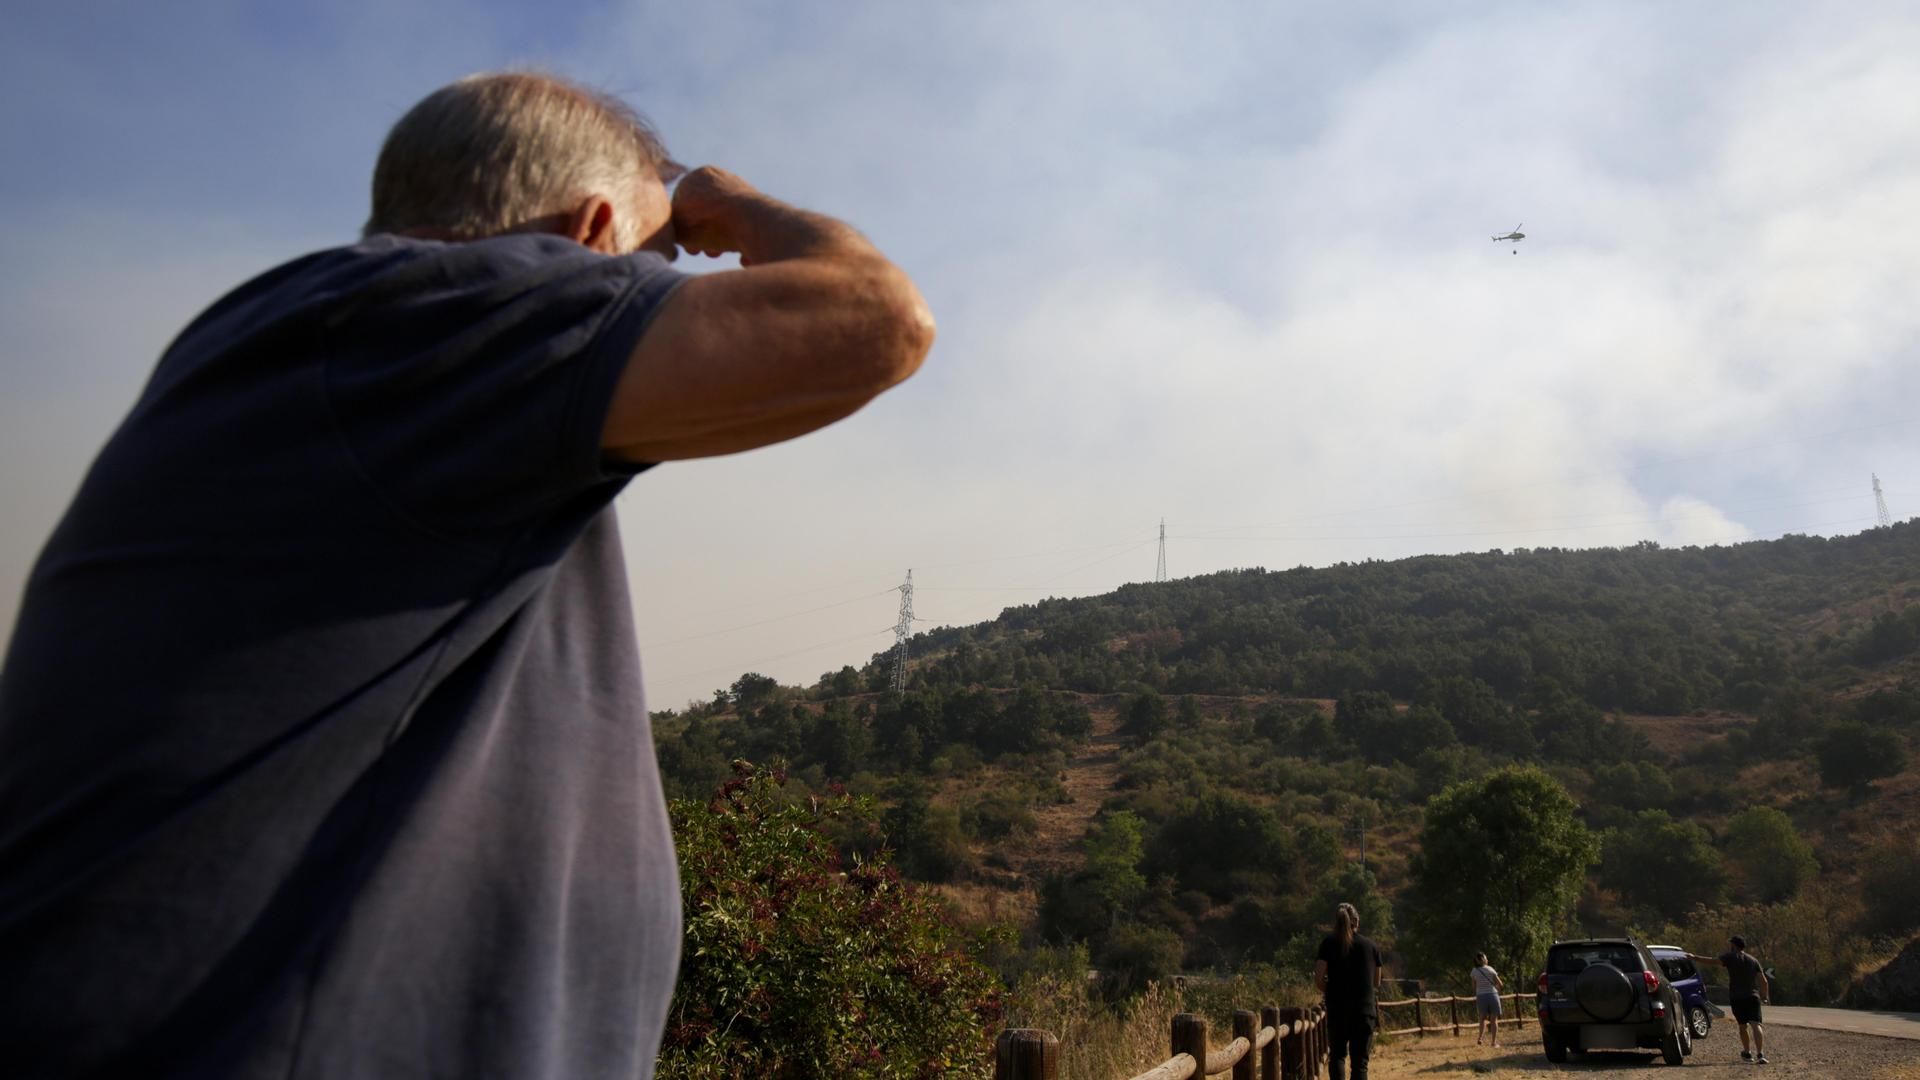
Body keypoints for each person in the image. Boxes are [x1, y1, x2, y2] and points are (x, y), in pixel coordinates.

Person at [0, 71, 933, 1078]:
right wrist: (734, 202)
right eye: (658, 264)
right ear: (586, 237)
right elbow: (876, 319)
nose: (659, 295)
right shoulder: (415, 322)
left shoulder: (359, 365)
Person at [1315, 902, 1385, 1080]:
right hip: (1364, 1011)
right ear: (1356, 921)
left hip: (1338, 1010)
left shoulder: (1328, 944)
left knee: (1337, 1056)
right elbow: (1376, 982)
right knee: (1360, 1063)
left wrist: (1331, 992)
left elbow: (1318, 978)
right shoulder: (1371, 946)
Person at [1689, 936, 1770, 1065]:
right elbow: (1764, 981)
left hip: (1737, 997)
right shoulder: (1753, 960)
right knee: (1756, 1024)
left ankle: (1747, 1053)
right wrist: (1764, 996)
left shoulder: (1730, 957)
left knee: (1743, 1026)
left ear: (1734, 945)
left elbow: (1712, 961)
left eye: (1730, 944)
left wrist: (1695, 958)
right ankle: (1760, 1054)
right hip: (1753, 997)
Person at [1469, 952, 1505, 1046]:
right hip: (1493, 994)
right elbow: (1500, 984)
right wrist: (1496, 989)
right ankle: (1493, 1042)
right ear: (1483, 960)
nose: (1487, 959)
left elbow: (1473, 986)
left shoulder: (1474, 971)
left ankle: (1480, 1038)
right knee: (1494, 1019)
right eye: (1486, 958)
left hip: (1481, 996)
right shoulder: (1490, 969)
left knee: (1482, 1018)